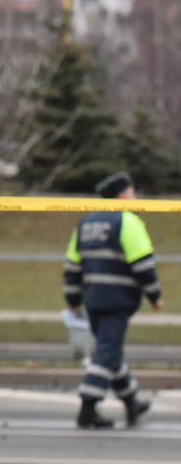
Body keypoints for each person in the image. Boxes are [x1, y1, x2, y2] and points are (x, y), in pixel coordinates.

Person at [63, 171, 161, 429]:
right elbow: (143, 264)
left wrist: (73, 299)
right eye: (132, 192)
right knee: (106, 352)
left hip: (92, 299)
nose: (136, 197)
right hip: (118, 299)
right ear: (123, 195)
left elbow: (72, 265)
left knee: (110, 350)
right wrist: (155, 295)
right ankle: (88, 407)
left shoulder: (86, 223)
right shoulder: (127, 220)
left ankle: (131, 402)